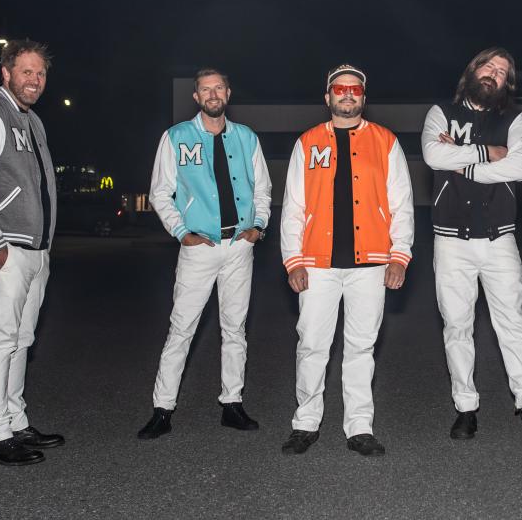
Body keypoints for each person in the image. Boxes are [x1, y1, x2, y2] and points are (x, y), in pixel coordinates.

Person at [421, 47, 522, 440]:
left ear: (507, 84)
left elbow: (519, 167)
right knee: (457, 325)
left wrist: (461, 160)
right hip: (450, 240)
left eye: (502, 72)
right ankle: (466, 408)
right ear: (472, 70)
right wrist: (488, 154)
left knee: (513, 324)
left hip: (499, 239)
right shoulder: (441, 112)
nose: (494, 73)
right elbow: (433, 155)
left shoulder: (515, 119)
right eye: (488, 66)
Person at [279, 65, 414, 457]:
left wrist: (399, 256)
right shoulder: (306, 143)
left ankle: (359, 428)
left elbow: (402, 204)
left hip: (371, 264)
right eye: (340, 89)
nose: (348, 95)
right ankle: (305, 423)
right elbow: (292, 208)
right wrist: (294, 260)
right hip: (316, 264)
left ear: (364, 98)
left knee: (361, 347)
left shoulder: (385, 142)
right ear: (328, 97)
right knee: (312, 345)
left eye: (355, 90)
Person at [138, 68, 271, 439]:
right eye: (205, 90)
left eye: (218, 88)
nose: (212, 95)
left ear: (228, 93)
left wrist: (257, 228)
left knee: (235, 329)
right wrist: (182, 233)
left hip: (239, 247)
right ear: (196, 97)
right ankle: (162, 409)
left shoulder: (246, 138)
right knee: (181, 329)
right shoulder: (177, 137)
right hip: (199, 247)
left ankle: (232, 404)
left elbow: (263, 189)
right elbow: (160, 192)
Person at [0, 39, 64, 466]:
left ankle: (16, 421)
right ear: (6, 72)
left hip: (34, 250)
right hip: (3, 247)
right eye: (26, 71)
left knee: (21, 339)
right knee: (0, 338)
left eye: (40, 74)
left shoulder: (33, 121)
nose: (34, 80)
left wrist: (45, 248)